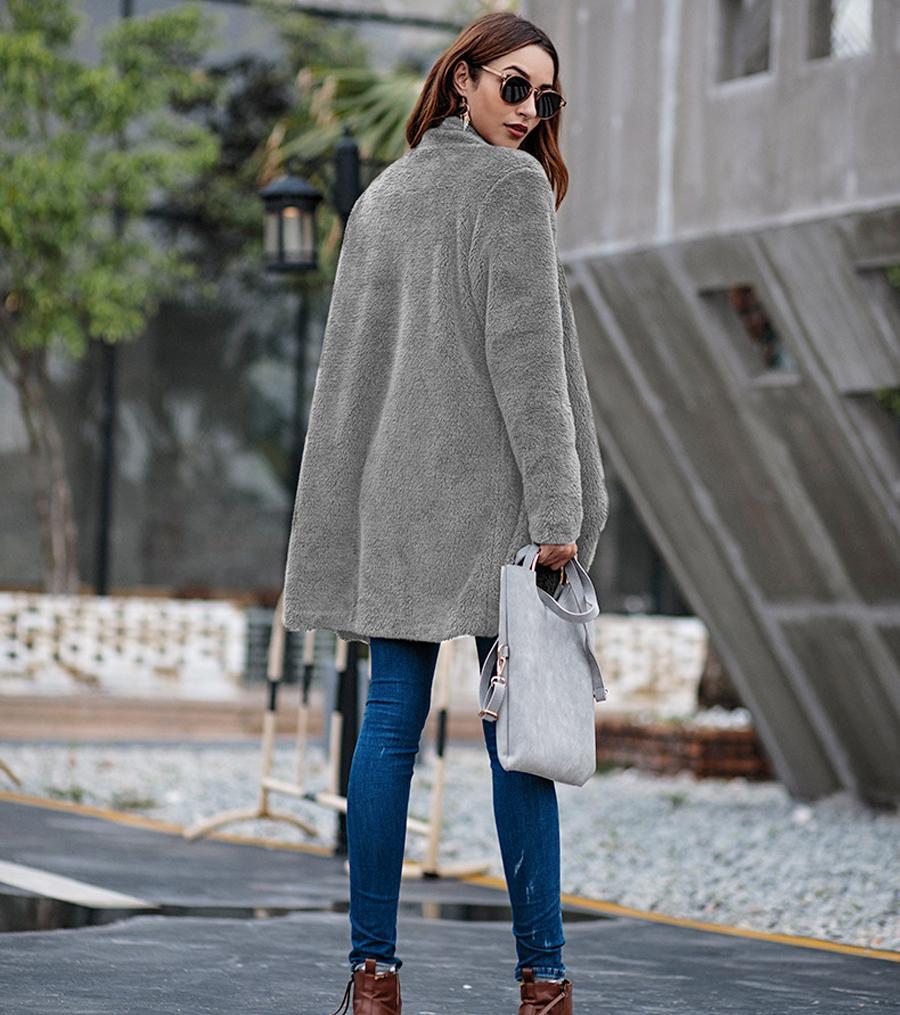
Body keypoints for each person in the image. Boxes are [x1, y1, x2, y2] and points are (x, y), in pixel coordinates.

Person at [281, 11, 609, 1015]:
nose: (529, 111)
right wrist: (557, 508)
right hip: (499, 511)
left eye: (545, 96)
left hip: (395, 504)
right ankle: (543, 982)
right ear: (461, 78)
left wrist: (342, 509)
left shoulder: (380, 198)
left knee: (389, 724)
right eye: (513, 86)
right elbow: (529, 365)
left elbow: (347, 377)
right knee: (521, 737)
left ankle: (373, 976)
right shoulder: (510, 190)